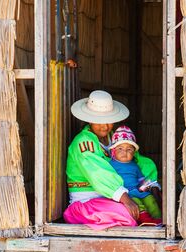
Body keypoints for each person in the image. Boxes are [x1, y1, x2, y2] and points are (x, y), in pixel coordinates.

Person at [63, 90, 158, 230]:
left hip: (112, 198)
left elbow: (136, 161)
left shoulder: (114, 137)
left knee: (148, 204)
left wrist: (151, 184)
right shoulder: (83, 143)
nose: (105, 126)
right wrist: (125, 199)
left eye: (109, 121)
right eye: (99, 121)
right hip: (87, 203)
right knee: (129, 214)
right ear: (89, 119)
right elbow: (98, 173)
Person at [109, 126, 162, 225]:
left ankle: (158, 219)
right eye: (120, 149)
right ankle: (146, 220)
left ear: (134, 152)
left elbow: (141, 179)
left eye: (129, 149)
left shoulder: (135, 165)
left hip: (137, 190)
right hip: (125, 193)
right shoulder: (110, 165)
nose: (125, 152)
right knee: (136, 202)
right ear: (113, 150)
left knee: (150, 199)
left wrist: (144, 185)